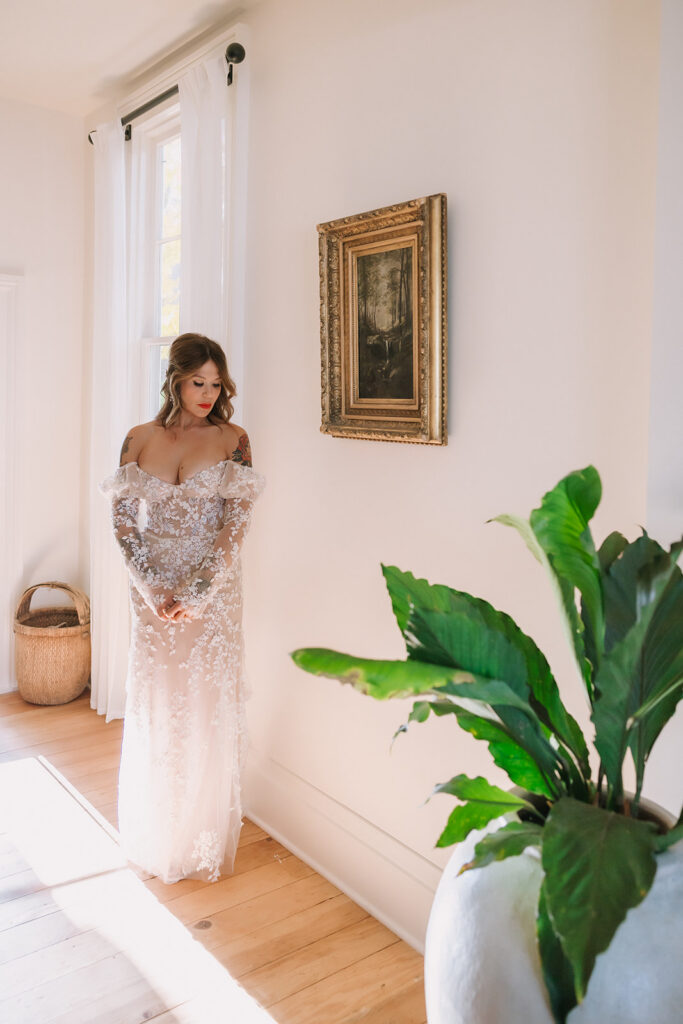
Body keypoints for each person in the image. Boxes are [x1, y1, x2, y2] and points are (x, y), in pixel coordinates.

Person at [99, 333, 264, 883]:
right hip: (152, 590)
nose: (208, 394)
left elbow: (235, 526)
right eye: (198, 382)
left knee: (205, 702)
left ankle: (201, 834)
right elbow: (124, 524)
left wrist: (199, 591)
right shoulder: (138, 438)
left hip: (211, 594)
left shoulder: (234, 440)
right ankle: (158, 829)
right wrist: (151, 588)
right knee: (158, 698)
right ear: (175, 379)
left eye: (216, 384)